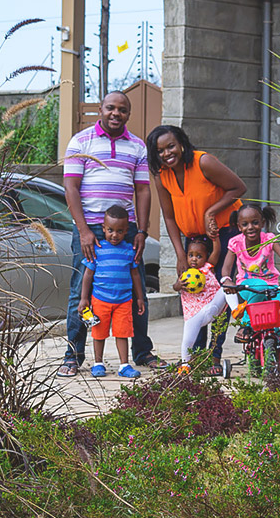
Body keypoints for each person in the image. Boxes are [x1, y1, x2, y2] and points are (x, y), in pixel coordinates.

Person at [59, 91, 168, 378]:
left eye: (122, 109)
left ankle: (142, 352)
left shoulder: (137, 147)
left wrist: (142, 231)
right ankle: (73, 355)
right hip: (91, 229)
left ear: (128, 114)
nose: (115, 113)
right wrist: (83, 231)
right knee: (79, 292)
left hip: (127, 228)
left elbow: (143, 189)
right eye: (110, 108)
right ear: (101, 109)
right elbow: (71, 188)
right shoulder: (80, 141)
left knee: (136, 289)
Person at [147, 125, 246, 375]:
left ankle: (214, 356)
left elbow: (238, 188)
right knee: (195, 294)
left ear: (181, 143)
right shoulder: (162, 175)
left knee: (219, 296)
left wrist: (210, 211)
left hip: (224, 233)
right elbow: (169, 218)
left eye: (171, 146)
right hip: (193, 240)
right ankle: (197, 356)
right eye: (160, 150)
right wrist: (180, 254)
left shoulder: (204, 162)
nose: (167, 153)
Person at [220, 204, 280, 342]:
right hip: (246, 286)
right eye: (245, 224)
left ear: (262, 223)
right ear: (239, 227)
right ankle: (246, 326)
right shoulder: (236, 243)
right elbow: (226, 267)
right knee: (260, 285)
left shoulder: (269, 239)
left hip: (271, 286)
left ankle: (279, 349)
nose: (250, 227)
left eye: (255, 222)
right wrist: (226, 280)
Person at [80, 205, 147, 379]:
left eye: (119, 231)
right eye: (110, 230)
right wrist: (83, 299)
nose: (114, 235)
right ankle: (98, 363)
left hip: (124, 300)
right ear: (103, 228)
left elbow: (135, 276)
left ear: (126, 231)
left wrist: (140, 298)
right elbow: (88, 274)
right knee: (99, 333)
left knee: (123, 333)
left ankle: (124, 365)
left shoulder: (128, 251)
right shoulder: (97, 249)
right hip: (100, 299)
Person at [174, 235, 228, 364]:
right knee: (188, 340)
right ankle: (185, 364)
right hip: (194, 315)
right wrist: (179, 285)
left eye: (199, 256)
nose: (194, 259)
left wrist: (215, 238)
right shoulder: (185, 273)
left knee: (227, 287)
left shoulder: (207, 267)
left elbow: (217, 252)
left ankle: (237, 308)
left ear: (205, 257)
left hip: (211, 308)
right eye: (191, 255)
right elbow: (175, 286)